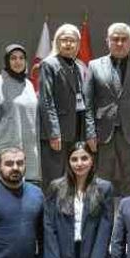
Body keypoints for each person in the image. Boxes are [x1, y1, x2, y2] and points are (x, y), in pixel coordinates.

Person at [84, 22, 130, 196]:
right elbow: (88, 104)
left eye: (124, 39)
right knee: (101, 182)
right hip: (102, 134)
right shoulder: (94, 65)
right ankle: (101, 213)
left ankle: (129, 213)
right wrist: (90, 133)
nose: (120, 43)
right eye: (115, 39)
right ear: (107, 41)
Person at [0, 44, 40, 182]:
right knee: (6, 184)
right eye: (13, 58)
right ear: (7, 61)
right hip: (6, 145)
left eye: (21, 58)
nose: (18, 61)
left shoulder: (28, 84)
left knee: (27, 186)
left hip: (29, 148)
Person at [38, 24, 90, 184]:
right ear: (56, 42)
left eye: (72, 40)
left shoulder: (78, 66)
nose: (68, 44)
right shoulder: (49, 64)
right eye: (64, 40)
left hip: (75, 132)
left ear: (78, 44)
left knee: (71, 178)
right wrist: (54, 133)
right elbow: (46, 101)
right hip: (57, 133)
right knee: (55, 180)